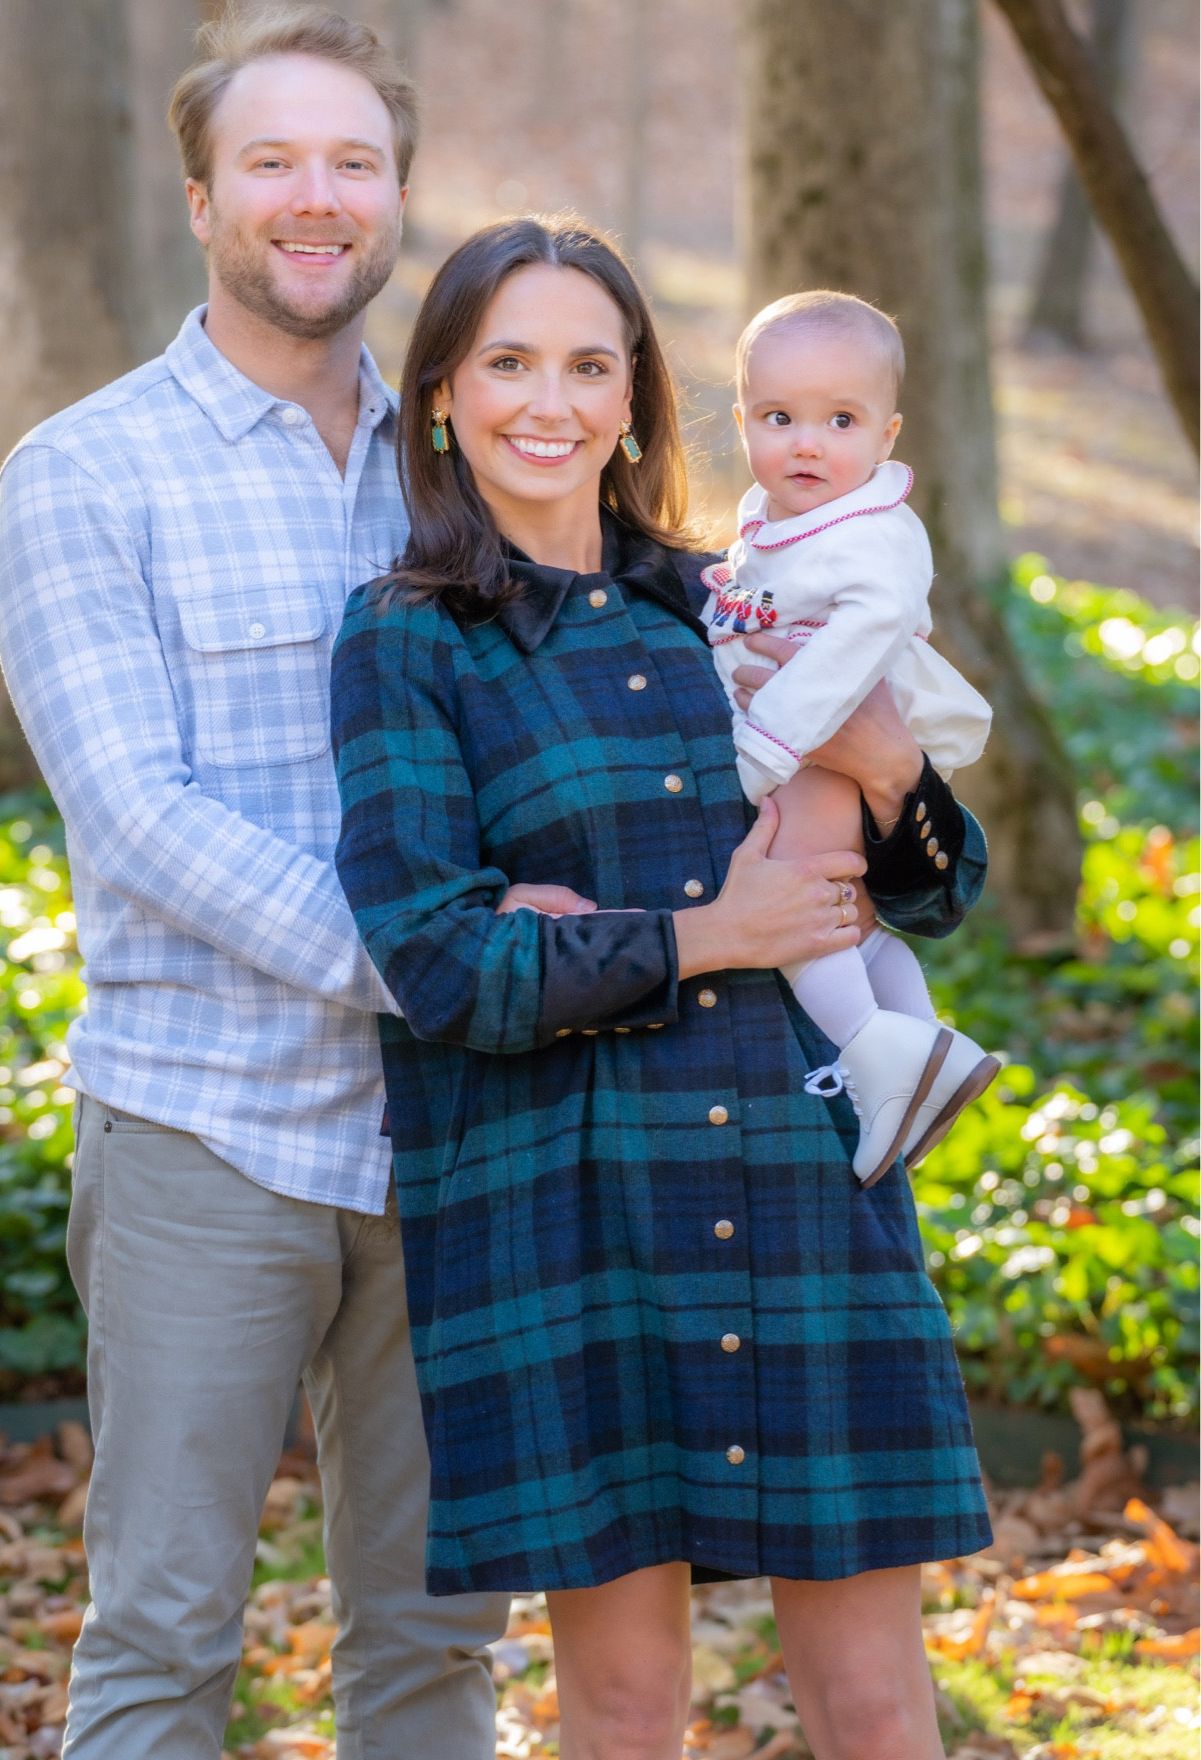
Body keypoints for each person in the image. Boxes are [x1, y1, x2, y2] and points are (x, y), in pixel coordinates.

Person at [331, 215, 993, 1760]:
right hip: (571, 1214)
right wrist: (710, 931)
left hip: (798, 1184)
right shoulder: (407, 641)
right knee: (622, 1710)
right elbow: (438, 963)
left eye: (587, 363)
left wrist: (886, 763)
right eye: (505, 363)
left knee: (879, 1708)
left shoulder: (742, 599)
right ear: (441, 393)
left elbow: (936, 890)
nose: (546, 403)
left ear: (635, 398)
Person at [0, 3, 514, 1760]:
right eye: (275, 159)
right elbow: (138, 814)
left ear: (394, 198)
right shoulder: (86, 470)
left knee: (439, 1648)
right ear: (204, 189)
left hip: (452, 1145)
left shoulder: (470, 471)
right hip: (208, 1133)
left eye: (353, 160)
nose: (317, 195)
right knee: (161, 1633)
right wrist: (445, 957)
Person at [701, 289, 999, 1188]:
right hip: (813, 740)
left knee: (799, 905)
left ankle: (877, 1057)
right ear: (743, 416)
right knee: (851, 924)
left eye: (841, 420)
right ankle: (931, 1058)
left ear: (888, 434)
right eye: (779, 416)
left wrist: (768, 749)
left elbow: (856, 646)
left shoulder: (876, 532)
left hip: (825, 735)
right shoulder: (774, 513)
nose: (806, 443)